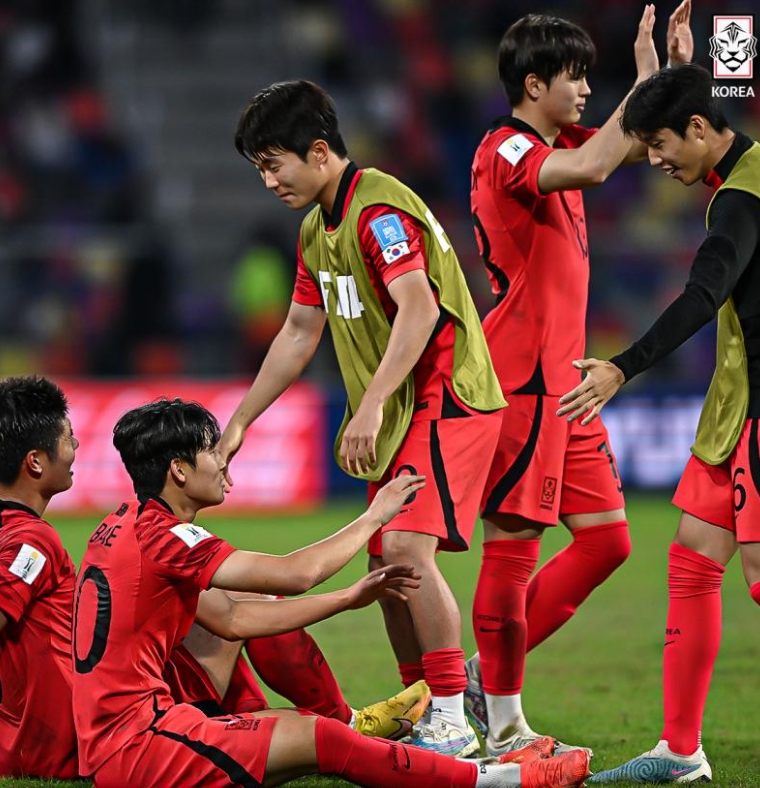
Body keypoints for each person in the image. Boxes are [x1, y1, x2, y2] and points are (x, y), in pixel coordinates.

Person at [72, 398, 590, 788]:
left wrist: (348, 598)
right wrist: (375, 517)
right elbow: (295, 572)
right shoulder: (167, 538)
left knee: (304, 722)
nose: (222, 461)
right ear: (179, 470)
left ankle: (365, 727)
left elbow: (232, 619)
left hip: (126, 729)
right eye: (210, 450)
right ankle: (504, 779)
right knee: (322, 739)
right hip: (139, 741)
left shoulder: (124, 524)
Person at [221, 79, 507, 757]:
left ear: (318, 152)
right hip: (407, 404)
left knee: (406, 550)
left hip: (446, 396)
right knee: (386, 562)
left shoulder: (378, 210)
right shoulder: (318, 229)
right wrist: (240, 422)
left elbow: (420, 309)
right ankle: (423, 706)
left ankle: (450, 714)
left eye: (272, 163)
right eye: (259, 168)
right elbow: (297, 331)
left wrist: (372, 404)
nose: (267, 181)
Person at [465, 1, 693, 758]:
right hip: (524, 380)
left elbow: (635, 145)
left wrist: (662, 81)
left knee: (607, 542)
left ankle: (480, 675)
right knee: (514, 548)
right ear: (534, 84)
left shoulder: (557, 140)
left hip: (569, 381)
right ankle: (502, 723)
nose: (588, 90)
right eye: (576, 77)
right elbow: (599, 163)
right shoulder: (506, 149)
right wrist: (641, 80)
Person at [558, 62, 760, 784]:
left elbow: (703, 296)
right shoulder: (741, 165)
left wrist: (623, 365)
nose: (652, 160)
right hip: (733, 412)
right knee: (693, 562)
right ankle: (680, 752)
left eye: (659, 144)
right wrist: (688, 64)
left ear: (700, 130)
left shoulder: (740, 203)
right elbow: (731, 99)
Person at [0, 376, 79, 779]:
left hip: (14, 749)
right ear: (35, 461)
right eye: (68, 438)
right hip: (69, 750)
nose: (76, 448)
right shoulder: (31, 541)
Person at [167, 592, 433, 740]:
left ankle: (249, 720)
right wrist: (372, 519)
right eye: (222, 484)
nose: (228, 487)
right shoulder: (159, 536)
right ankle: (346, 723)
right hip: (156, 726)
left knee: (208, 609)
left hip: (150, 704)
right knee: (247, 605)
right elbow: (296, 573)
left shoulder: (138, 525)